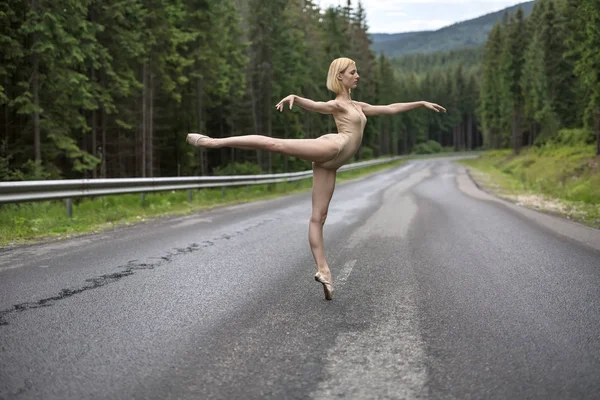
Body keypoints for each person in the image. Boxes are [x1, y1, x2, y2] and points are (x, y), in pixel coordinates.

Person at [186, 57, 446, 300]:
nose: (357, 76)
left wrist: (420, 103)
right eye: (352, 73)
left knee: (319, 217)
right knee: (276, 145)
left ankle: (324, 271)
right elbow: (317, 106)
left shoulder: (358, 105)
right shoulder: (337, 104)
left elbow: (390, 108)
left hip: (333, 164)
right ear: (340, 77)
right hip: (332, 148)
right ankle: (213, 142)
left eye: (356, 72)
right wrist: (296, 98)